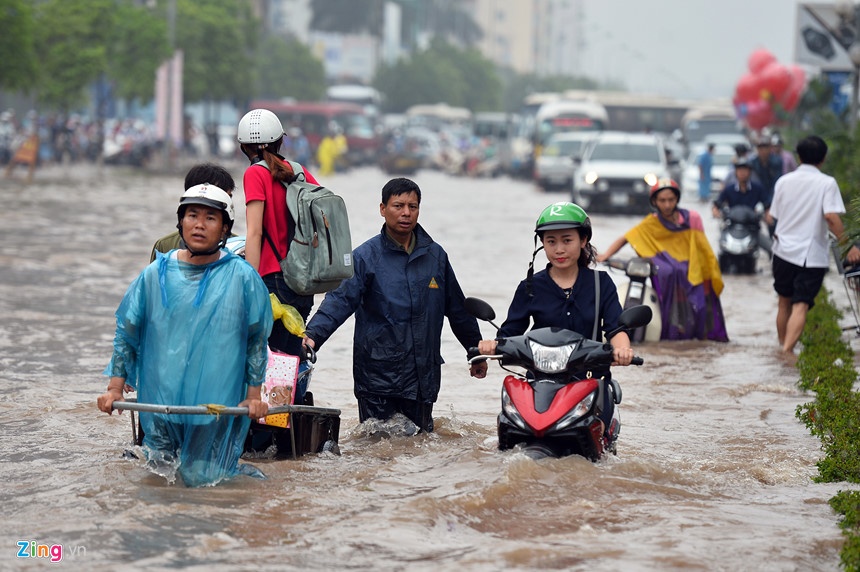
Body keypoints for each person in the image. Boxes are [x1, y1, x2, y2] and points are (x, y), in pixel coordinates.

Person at [96, 183, 273, 487]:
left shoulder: (243, 277)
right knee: (158, 482)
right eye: (192, 215)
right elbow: (127, 332)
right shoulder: (154, 275)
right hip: (160, 404)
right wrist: (114, 388)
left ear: (224, 229)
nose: (199, 225)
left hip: (214, 409)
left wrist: (253, 396)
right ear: (180, 222)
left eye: (210, 218)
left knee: (205, 482)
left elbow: (255, 340)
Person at [301, 177, 488, 434]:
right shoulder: (366, 257)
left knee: (420, 454)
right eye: (398, 206)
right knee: (378, 453)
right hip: (377, 379)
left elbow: (457, 309)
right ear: (382, 209)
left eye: (412, 206)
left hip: (422, 378)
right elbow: (339, 300)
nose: (406, 213)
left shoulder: (435, 257)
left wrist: (474, 350)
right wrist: (311, 337)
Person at [477, 202, 634, 445]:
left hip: (590, 381)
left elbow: (615, 329)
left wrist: (623, 350)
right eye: (551, 241)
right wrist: (489, 347)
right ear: (542, 244)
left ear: (583, 241)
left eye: (567, 240)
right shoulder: (530, 287)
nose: (559, 249)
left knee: (596, 442)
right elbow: (510, 333)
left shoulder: (601, 283)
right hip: (540, 384)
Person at [237, 108, 321, 401]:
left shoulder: (254, 174)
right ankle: (291, 418)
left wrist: (247, 283)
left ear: (243, 146)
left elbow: (255, 233)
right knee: (289, 355)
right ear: (279, 141)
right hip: (302, 282)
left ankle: (273, 428)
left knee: (268, 359)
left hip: (272, 282)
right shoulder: (299, 171)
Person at [597, 178, 728, 342]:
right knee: (668, 272)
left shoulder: (692, 218)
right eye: (662, 200)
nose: (667, 205)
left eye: (671, 200)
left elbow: (702, 248)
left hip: (694, 271)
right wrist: (605, 255)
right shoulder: (651, 223)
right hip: (670, 278)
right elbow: (627, 238)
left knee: (700, 308)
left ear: (677, 200)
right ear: (655, 202)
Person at [766, 135, 860, 355]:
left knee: (783, 303)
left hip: (782, 251)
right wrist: (849, 246)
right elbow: (831, 217)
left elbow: (774, 216)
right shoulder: (826, 183)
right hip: (810, 254)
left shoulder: (783, 182)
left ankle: (782, 348)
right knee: (801, 304)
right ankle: (787, 352)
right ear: (823, 158)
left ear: (798, 157)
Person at [149, 163, 236, 262]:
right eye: (193, 215)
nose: (200, 225)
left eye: (229, 197)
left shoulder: (239, 247)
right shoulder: (165, 246)